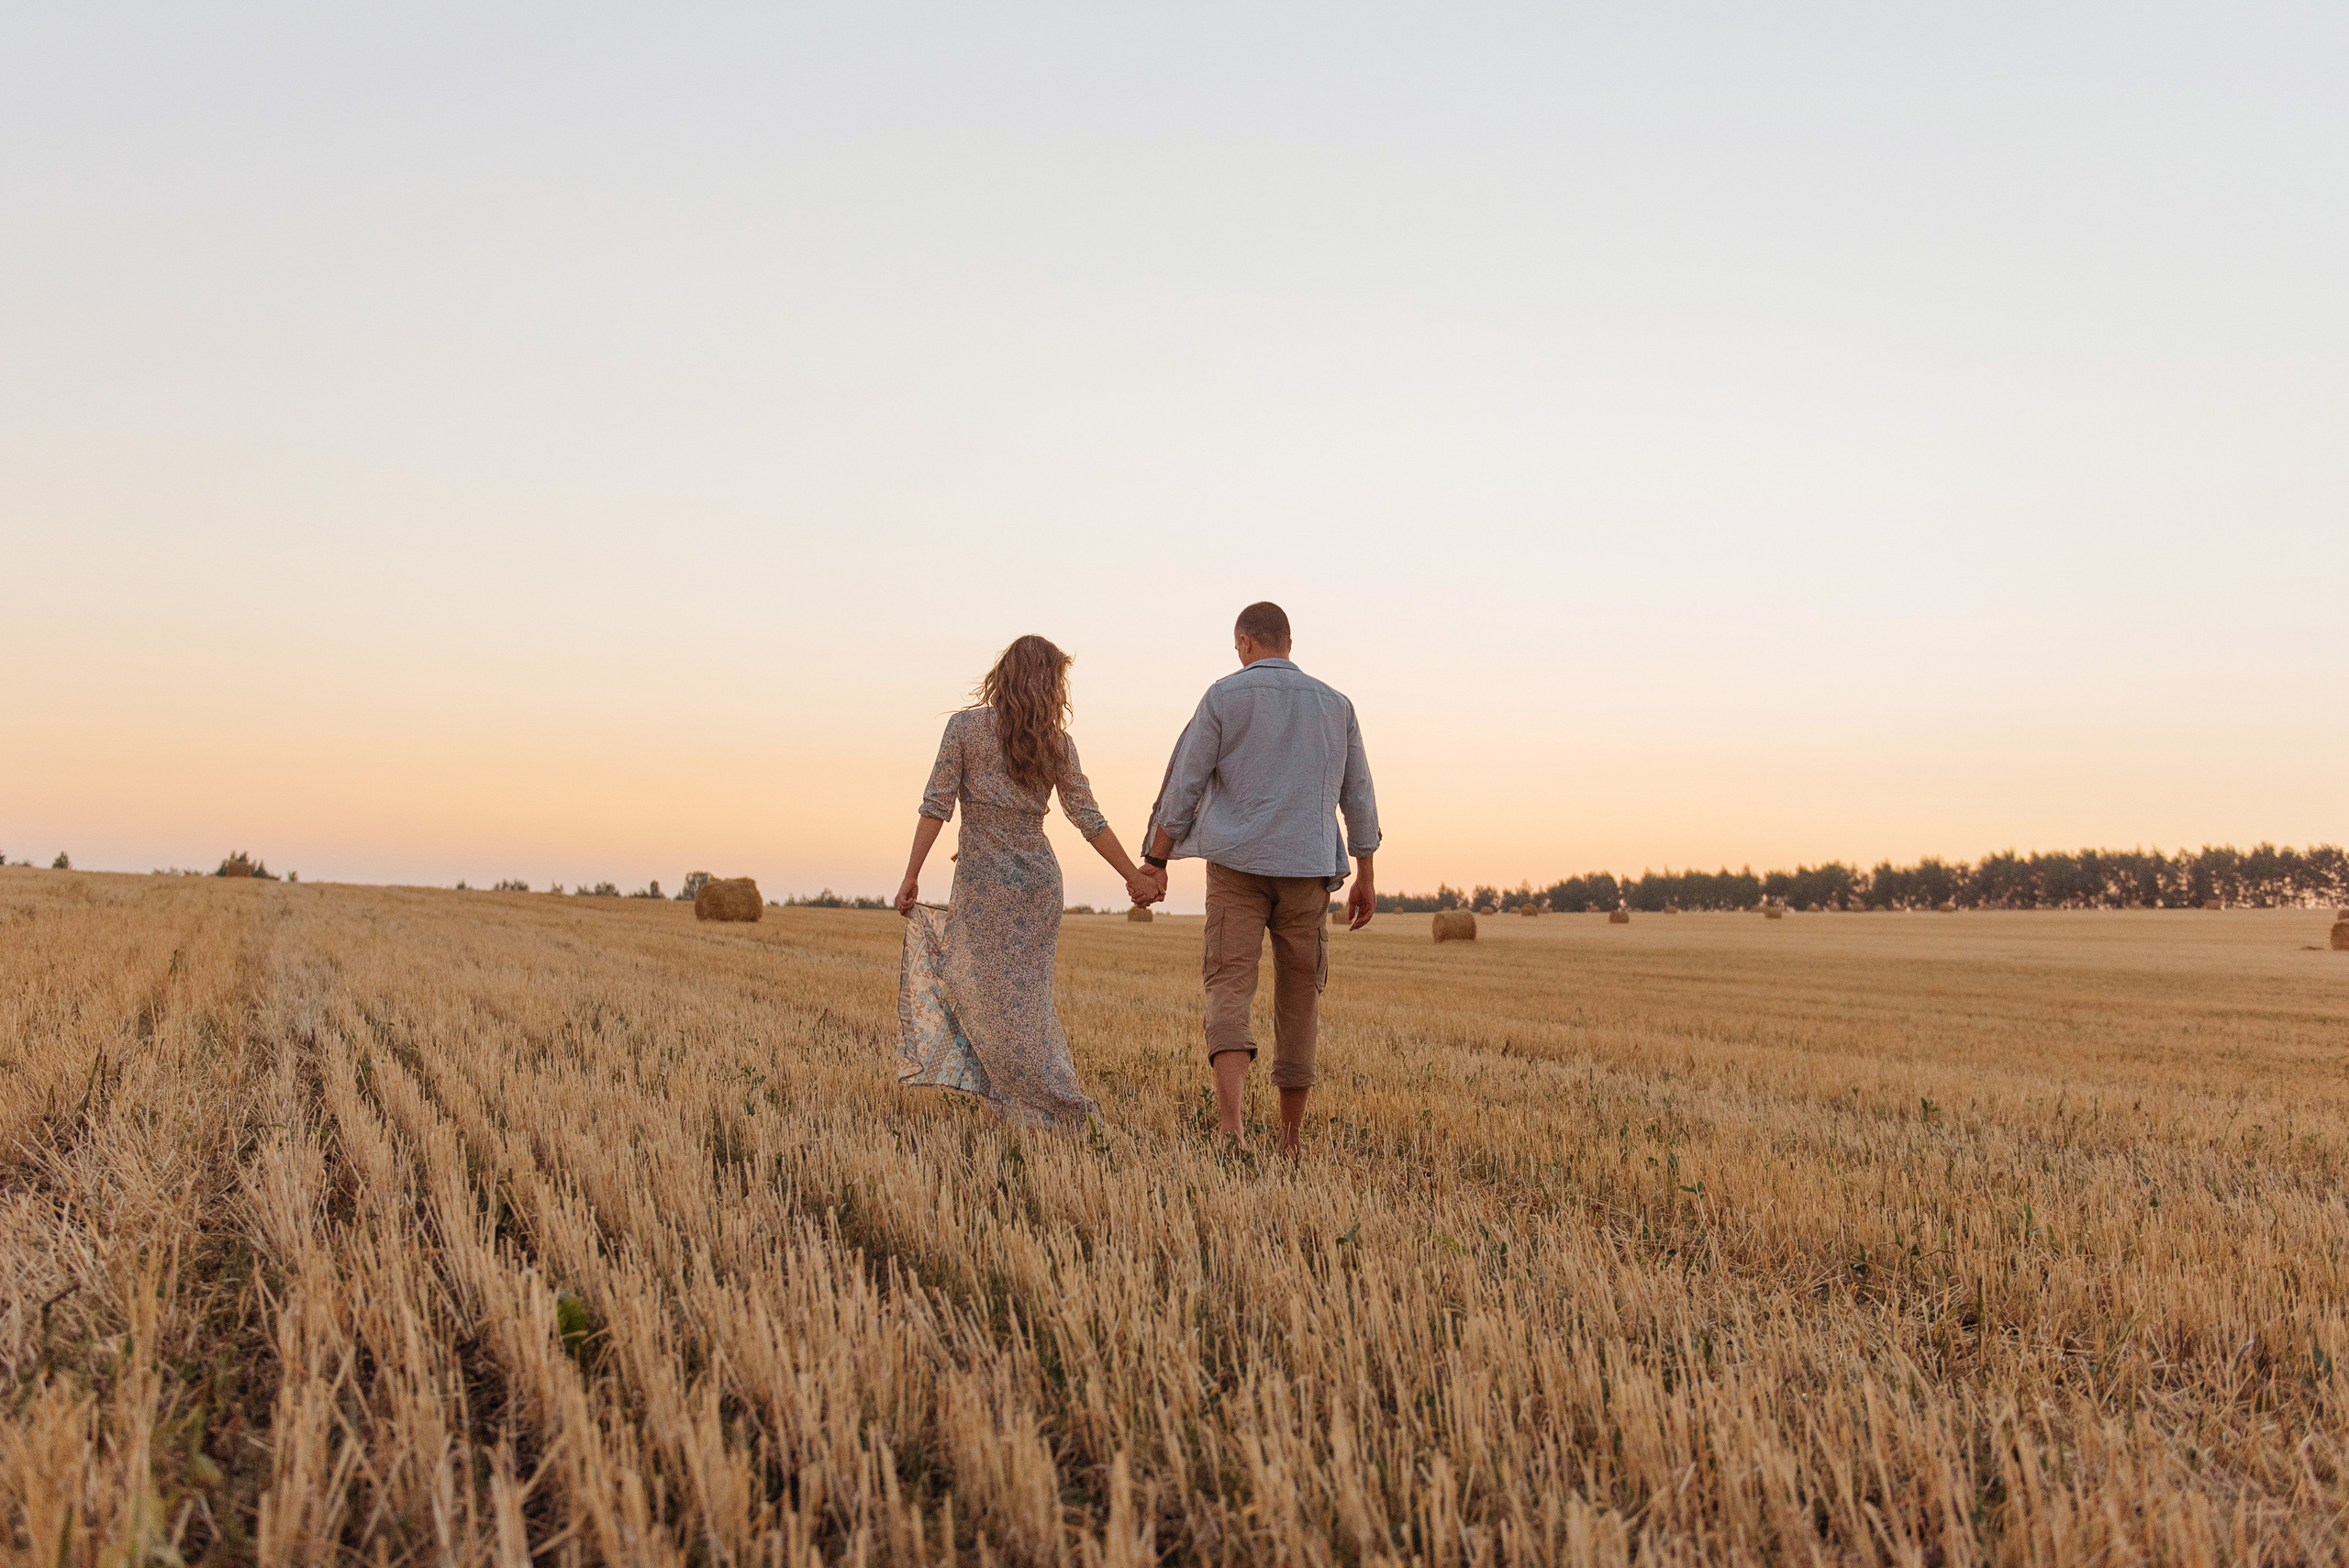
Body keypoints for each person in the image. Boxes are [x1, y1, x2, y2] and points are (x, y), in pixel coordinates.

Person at [1134, 602, 1380, 1157]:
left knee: (1228, 986)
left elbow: (1185, 785)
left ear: (1245, 643)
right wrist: (1364, 871)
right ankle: (1290, 1141)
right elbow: (1358, 795)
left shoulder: (1224, 695)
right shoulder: (1336, 705)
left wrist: (1157, 860)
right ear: (1287, 643)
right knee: (1299, 1000)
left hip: (1236, 870)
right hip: (1308, 871)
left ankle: (1232, 1131)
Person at [894, 635, 1157, 1129]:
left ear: (1005, 674)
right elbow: (1089, 819)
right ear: (1050, 685)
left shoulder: (964, 728)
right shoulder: (1056, 743)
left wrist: (911, 875)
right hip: (1036, 885)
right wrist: (1133, 877)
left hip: (984, 886)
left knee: (980, 993)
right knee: (1025, 1002)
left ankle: (1053, 1104)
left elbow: (936, 807)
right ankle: (1023, 1106)